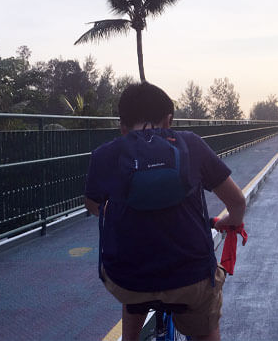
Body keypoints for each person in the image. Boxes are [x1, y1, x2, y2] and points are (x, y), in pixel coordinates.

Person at [84, 82, 246, 341]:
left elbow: (94, 207)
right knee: (207, 325)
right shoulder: (191, 144)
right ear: (169, 120)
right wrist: (229, 221)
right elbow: (237, 202)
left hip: (126, 278)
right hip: (190, 278)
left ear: (122, 126)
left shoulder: (105, 155)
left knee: (134, 292)